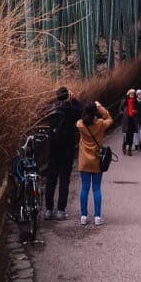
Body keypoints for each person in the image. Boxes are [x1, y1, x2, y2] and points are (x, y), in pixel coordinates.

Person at [44, 85, 83, 220]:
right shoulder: (70, 109)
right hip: (66, 148)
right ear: (67, 96)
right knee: (64, 180)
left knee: (51, 179)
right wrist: (74, 99)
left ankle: (48, 210)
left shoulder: (51, 109)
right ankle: (61, 211)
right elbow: (81, 111)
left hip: (53, 148)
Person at [76, 100, 113, 226]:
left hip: (84, 161)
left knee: (84, 187)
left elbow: (80, 119)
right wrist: (100, 107)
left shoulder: (80, 125)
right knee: (96, 188)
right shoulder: (101, 124)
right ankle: (97, 217)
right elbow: (110, 118)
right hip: (97, 160)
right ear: (95, 112)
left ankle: (83, 216)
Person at [119, 87, 139, 156]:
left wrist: (135, 111)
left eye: (133, 94)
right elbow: (120, 111)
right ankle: (124, 145)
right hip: (126, 121)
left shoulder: (135, 102)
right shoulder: (124, 101)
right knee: (126, 136)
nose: (132, 95)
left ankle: (129, 149)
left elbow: (138, 111)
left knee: (131, 136)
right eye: (131, 94)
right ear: (128, 94)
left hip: (133, 121)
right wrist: (125, 112)